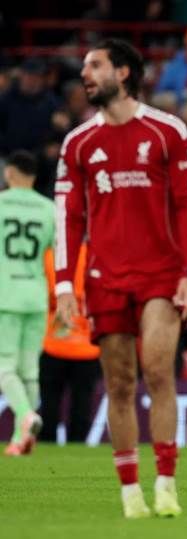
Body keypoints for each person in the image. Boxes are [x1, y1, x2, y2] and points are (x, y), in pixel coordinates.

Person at [54, 39, 187, 518]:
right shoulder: (78, 143)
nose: (85, 74)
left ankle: (166, 483)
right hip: (104, 277)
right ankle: (130, 493)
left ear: (122, 72)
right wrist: (64, 284)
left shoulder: (167, 131)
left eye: (95, 65)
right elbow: (68, 216)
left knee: (158, 369)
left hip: (161, 273)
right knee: (118, 384)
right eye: (84, 66)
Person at [0, 151, 55, 455]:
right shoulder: (49, 209)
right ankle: (22, 439)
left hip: (5, 295)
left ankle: (26, 416)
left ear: (9, 173)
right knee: (30, 370)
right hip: (36, 295)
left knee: (4, 366)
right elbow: (61, 253)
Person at [38, 245, 101, 444]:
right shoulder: (96, 255)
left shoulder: (50, 255)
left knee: (49, 405)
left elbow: (43, 295)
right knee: (81, 406)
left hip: (53, 342)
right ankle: (77, 448)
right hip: (86, 346)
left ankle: (47, 446)